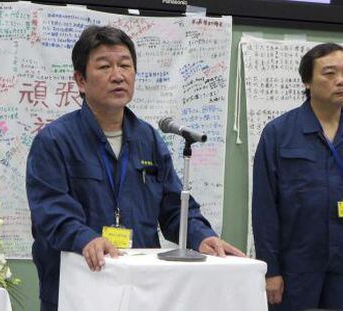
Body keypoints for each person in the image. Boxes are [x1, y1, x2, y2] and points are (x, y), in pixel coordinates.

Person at [27, 25, 245, 311]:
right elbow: (50, 211)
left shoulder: (148, 138)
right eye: (105, 66)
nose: (118, 76)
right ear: (80, 80)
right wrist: (86, 239)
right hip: (76, 287)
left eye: (125, 66)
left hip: (140, 289)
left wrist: (202, 236)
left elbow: (174, 206)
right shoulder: (54, 140)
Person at [252, 43, 343, 311]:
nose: (340, 81)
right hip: (296, 271)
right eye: (329, 73)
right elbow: (264, 208)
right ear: (307, 81)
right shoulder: (278, 133)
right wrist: (271, 271)